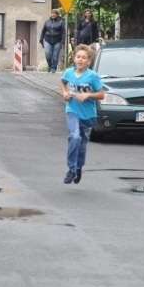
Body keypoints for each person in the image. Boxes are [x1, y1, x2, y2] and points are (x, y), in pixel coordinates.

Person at [60, 44, 105, 184]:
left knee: (82, 145)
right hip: (72, 111)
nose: (80, 60)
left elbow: (102, 95)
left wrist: (88, 95)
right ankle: (71, 169)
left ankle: (78, 167)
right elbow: (63, 83)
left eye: (83, 58)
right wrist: (65, 93)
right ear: (74, 58)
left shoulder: (92, 76)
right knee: (74, 137)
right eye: (78, 57)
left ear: (88, 61)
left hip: (88, 117)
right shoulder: (68, 72)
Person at [39, 9, 66, 73]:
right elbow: (43, 31)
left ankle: (54, 68)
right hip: (48, 40)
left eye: (55, 13)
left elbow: (63, 32)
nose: (53, 15)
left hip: (57, 41)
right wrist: (41, 38)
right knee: (47, 54)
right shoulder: (47, 22)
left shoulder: (60, 22)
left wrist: (63, 40)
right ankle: (49, 65)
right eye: (52, 13)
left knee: (55, 55)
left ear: (57, 15)